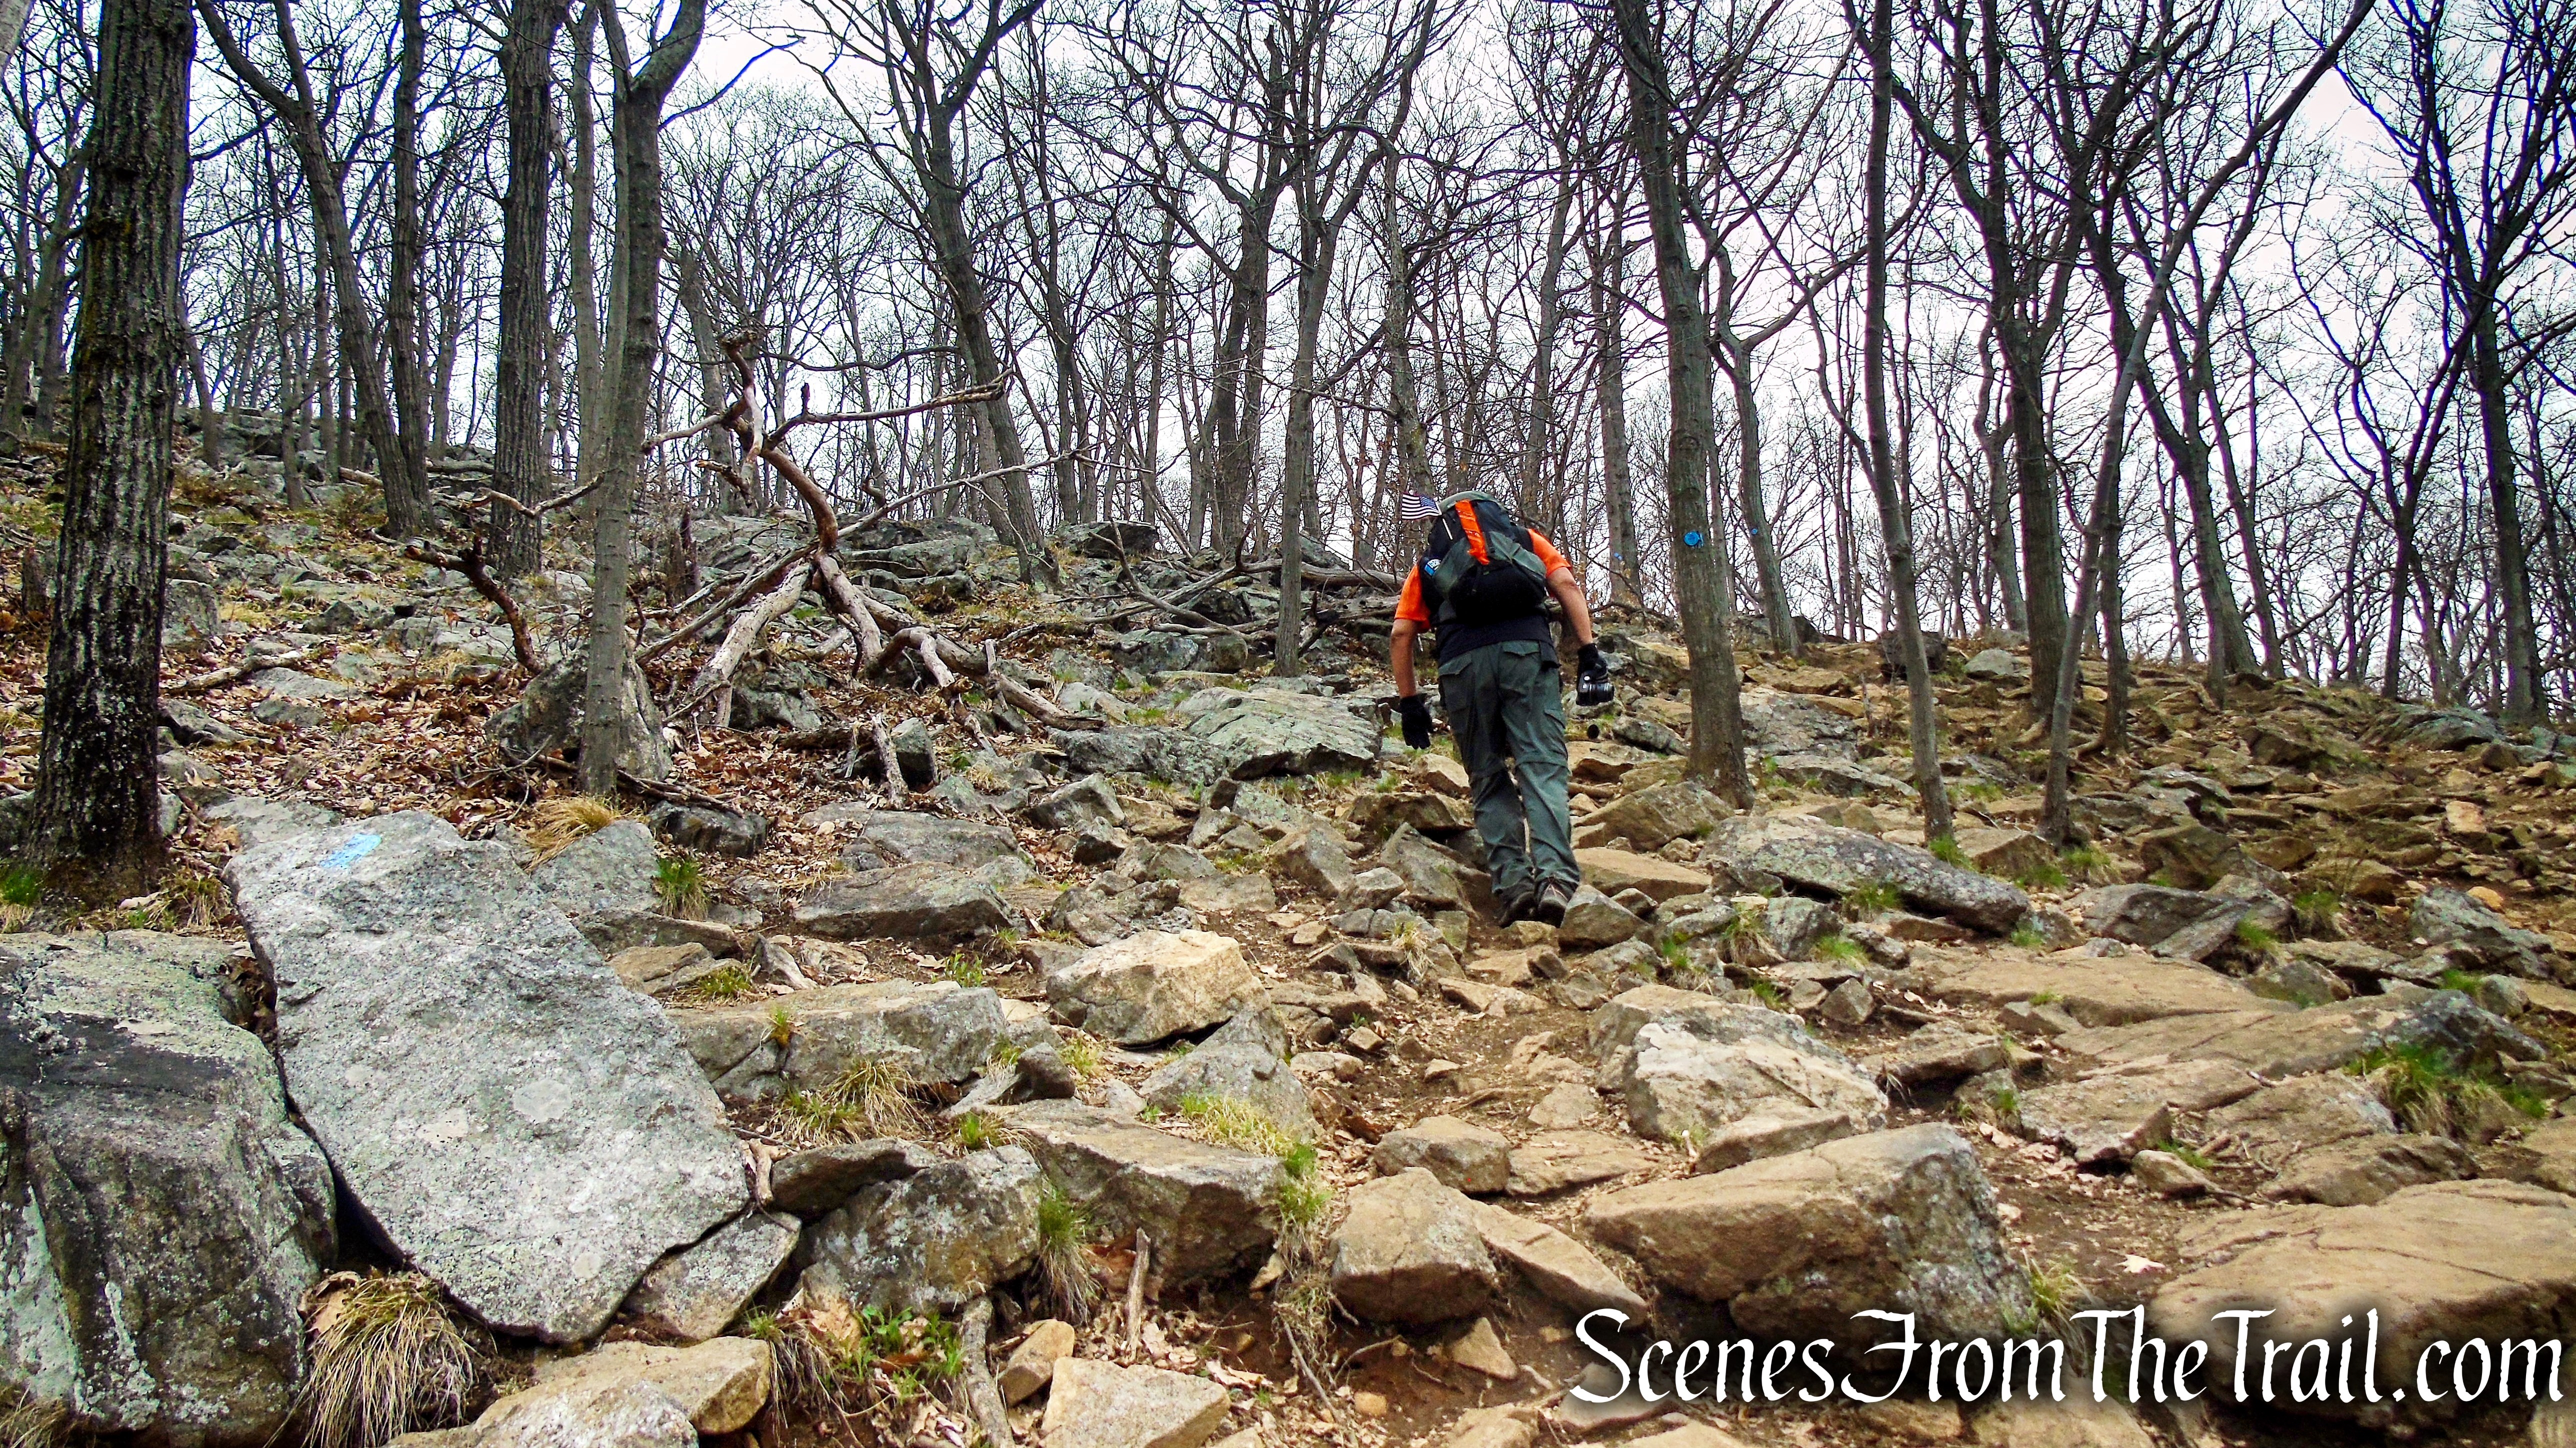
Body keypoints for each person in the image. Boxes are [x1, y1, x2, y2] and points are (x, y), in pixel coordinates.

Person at [1390, 490, 1612, 924]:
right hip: (1526, 655)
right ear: (1496, 516)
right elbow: (1566, 584)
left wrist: (1410, 702)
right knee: (1541, 765)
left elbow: (1401, 635)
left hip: (1462, 667)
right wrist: (1588, 651)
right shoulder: (1525, 540)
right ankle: (1554, 881)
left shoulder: (1429, 564)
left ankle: (1513, 887)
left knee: (1488, 776)